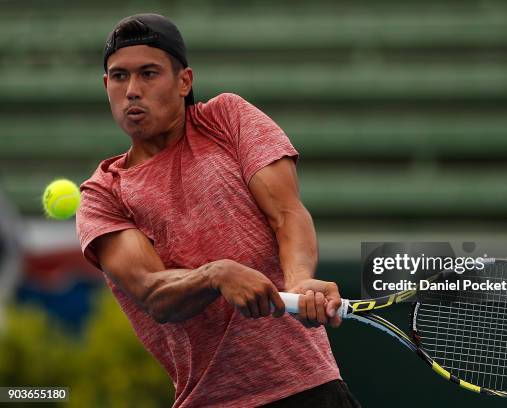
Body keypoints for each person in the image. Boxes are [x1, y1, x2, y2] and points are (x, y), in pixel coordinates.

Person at [76, 13, 360, 408]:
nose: (133, 90)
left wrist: (298, 283)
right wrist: (215, 275)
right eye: (120, 77)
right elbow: (153, 292)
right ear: (106, 86)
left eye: (149, 73)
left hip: (310, 392)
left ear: (184, 82)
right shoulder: (102, 194)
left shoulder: (228, 118)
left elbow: (287, 214)